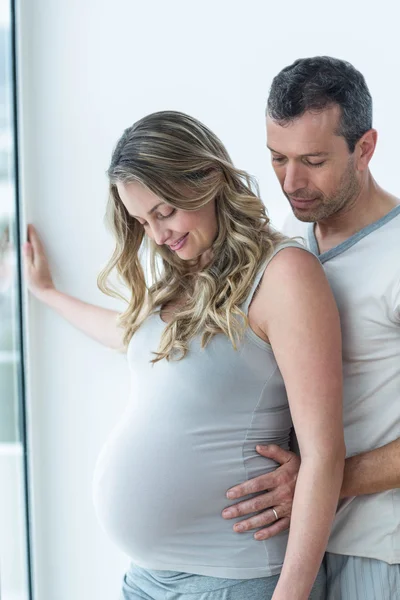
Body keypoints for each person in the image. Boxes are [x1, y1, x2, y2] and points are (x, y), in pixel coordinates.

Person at [23, 111, 344, 599]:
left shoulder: (285, 275)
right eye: (141, 221)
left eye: (165, 211)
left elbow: (324, 452)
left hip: (235, 579)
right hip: (146, 579)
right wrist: (47, 293)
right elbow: (126, 336)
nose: (156, 236)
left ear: (207, 180)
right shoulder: (182, 277)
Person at [221, 57, 400, 599]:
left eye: (314, 161)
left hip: (376, 552)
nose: (291, 182)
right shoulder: (290, 252)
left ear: (364, 148)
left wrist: (320, 479)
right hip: (299, 549)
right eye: (278, 158)